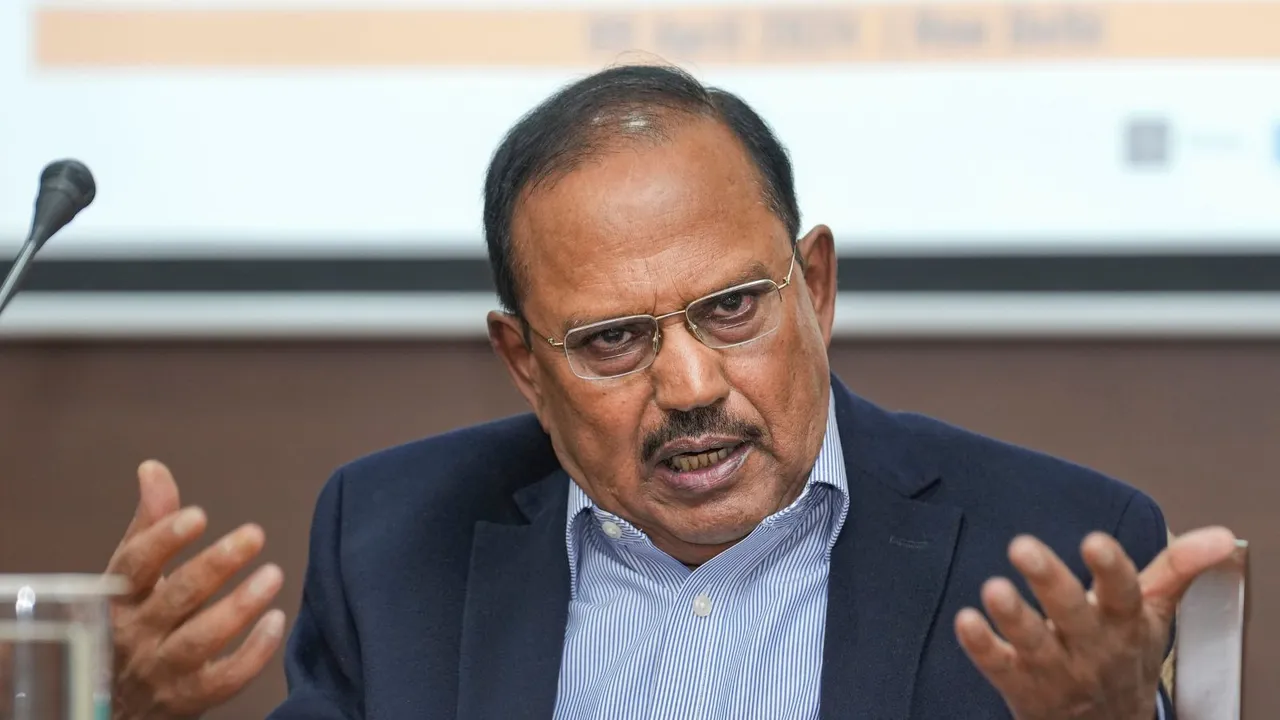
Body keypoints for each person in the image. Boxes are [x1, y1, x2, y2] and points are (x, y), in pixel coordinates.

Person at [102, 64, 1236, 719]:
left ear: (818, 288)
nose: (691, 385)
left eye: (732, 308)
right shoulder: (392, 545)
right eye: (608, 340)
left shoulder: (1055, 544)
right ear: (522, 364)